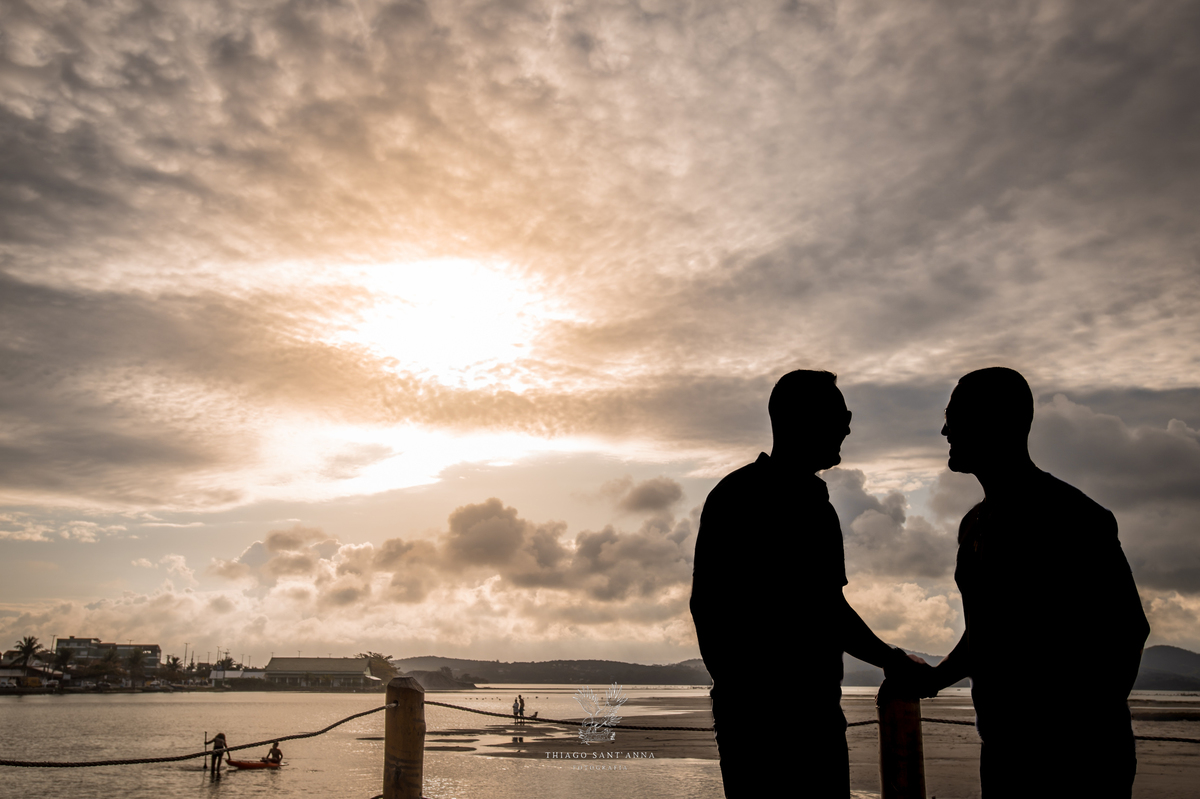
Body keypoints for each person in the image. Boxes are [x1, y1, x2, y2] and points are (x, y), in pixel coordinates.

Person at [895, 367, 1150, 798]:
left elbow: (1127, 631)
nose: (944, 430)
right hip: (1003, 753)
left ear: (996, 422)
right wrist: (937, 677)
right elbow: (986, 630)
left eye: (954, 416)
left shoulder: (1073, 517)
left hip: (1078, 762)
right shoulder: (974, 524)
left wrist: (1075, 733)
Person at [690, 369, 929, 798]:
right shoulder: (794, 503)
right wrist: (890, 659)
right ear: (800, 420)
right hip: (795, 722)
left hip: (759, 715)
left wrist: (735, 692)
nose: (848, 426)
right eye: (841, 414)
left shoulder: (734, 494)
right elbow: (826, 609)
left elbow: (704, 607)